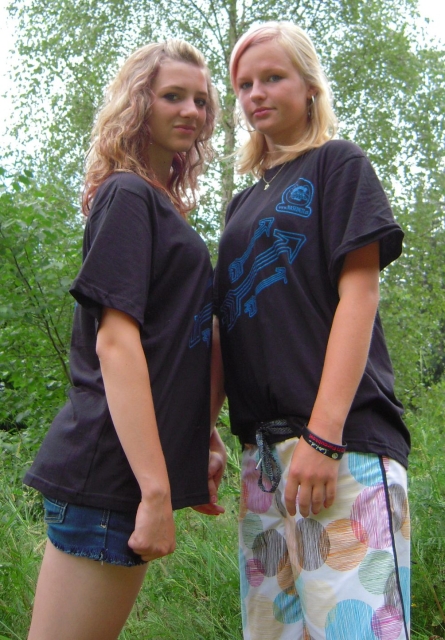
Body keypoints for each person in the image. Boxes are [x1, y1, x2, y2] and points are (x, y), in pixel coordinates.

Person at [212, 21, 411, 640]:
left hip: (342, 448)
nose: (256, 94)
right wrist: (204, 433)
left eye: (273, 77)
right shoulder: (241, 206)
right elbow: (228, 327)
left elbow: (360, 294)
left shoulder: (337, 164)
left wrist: (322, 438)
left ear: (309, 87)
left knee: (359, 630)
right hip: (263, 463)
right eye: (245, 84)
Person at [24, 39, 226, 640]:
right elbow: (116, 345)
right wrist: (156, 492)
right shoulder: (128, 194)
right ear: (138, 104)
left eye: (201, 100)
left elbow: (174, 342)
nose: (191, 110)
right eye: (172, 96)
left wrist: (202, 433)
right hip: (109, 477)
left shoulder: (158, 205)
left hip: (119, 479)